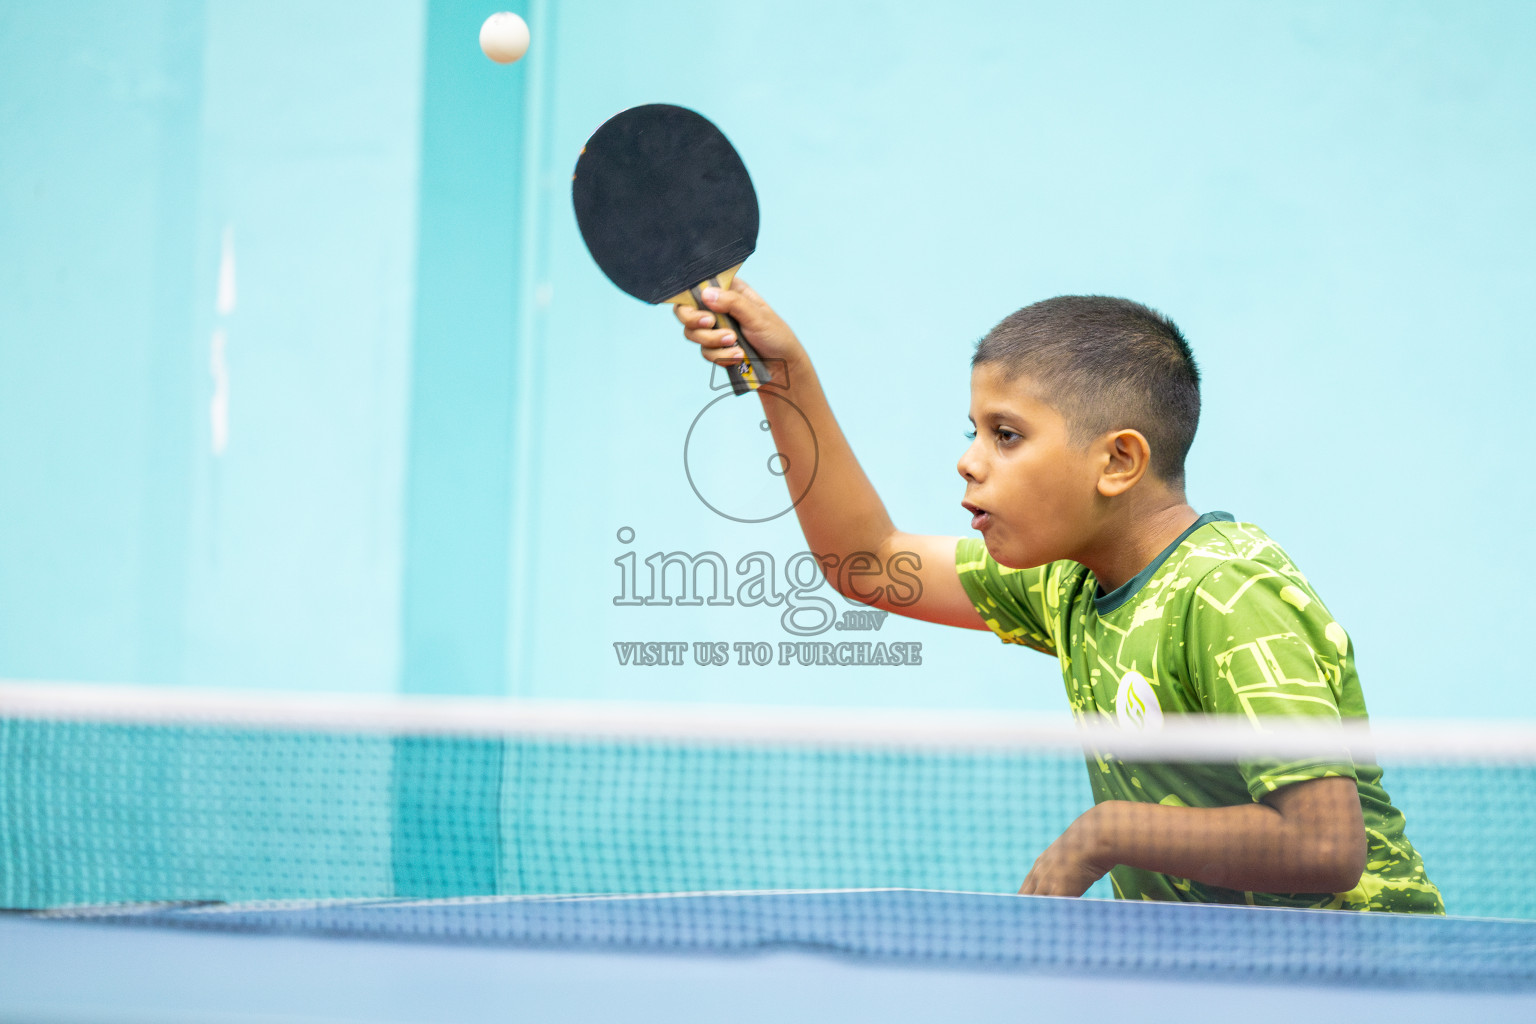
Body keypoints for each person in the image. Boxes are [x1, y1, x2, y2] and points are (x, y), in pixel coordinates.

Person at [674, 285, 1443, 913]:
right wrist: (785, 380)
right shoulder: (1071, 583)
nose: (968, 462)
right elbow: (869, 564)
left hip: (1362, 976)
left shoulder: (1228, 594)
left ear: (1118, 461)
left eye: (1005, 435)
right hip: (1216, 974)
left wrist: (1109, 833)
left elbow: (1324, 845)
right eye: (974, 432)